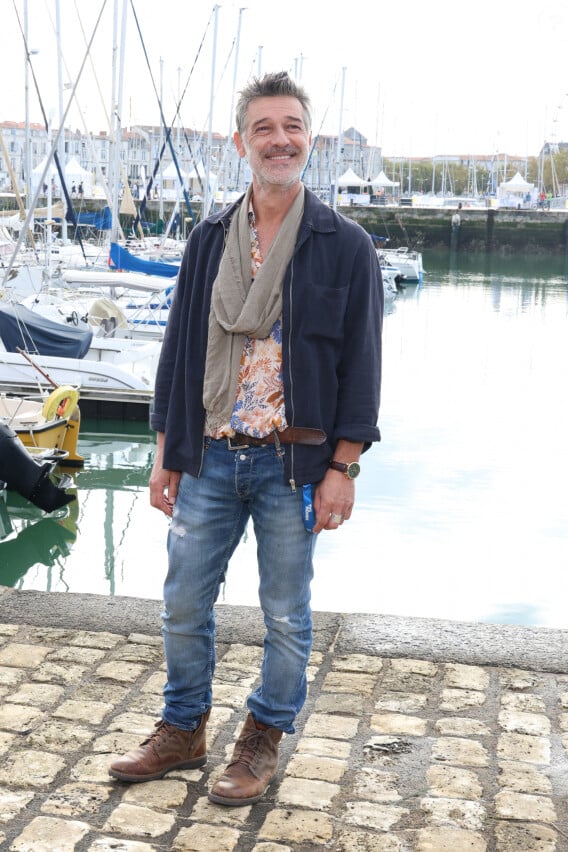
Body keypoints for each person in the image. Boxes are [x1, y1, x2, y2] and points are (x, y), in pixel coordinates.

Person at [109, 71, 383, 805]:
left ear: (308, 139)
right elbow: (178, 351)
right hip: (208, 456)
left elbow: (362, 364)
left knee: (287, 616)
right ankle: (182, 729)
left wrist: (344, 468)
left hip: (294, 463)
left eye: (291, 125)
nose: (280, 139)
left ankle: (261, 739)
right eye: (264, 128)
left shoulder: (345, 246)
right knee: (182, 606)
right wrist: (165, 452)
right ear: (242, 143)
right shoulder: (207, 239)